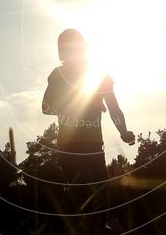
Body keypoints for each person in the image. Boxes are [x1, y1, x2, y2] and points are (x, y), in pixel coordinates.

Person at [42, 29, 135, 202]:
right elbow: (46, 107)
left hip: (93, 145)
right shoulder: (58, 75)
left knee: (100, 190)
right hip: (69, 147)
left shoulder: (100, 75)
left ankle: (99, 226)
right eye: (67, 48)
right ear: (62, 52)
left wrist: (124, 131)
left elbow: (114, 108)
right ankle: (85, 225)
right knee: (83, 194)